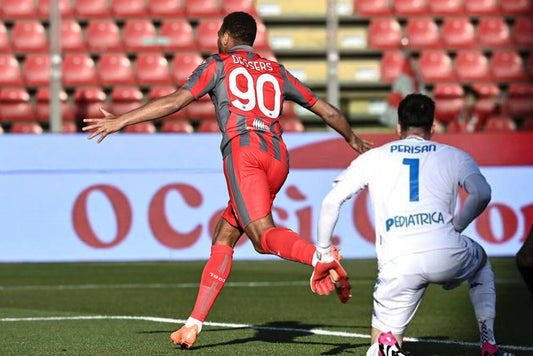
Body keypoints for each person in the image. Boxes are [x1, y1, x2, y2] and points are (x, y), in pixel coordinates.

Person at [83, 11, 371, 349]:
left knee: (262, 238)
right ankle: (192, 325)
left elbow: (177, 100)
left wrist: (122, 121)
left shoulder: (218, 64)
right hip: (278, 157)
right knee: (226, 232)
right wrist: (353, 140)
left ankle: (319, 257)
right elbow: (326, 110)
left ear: (224, 38)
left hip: (244, 153)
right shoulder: (276, 71)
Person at [315, 93, 514, 356]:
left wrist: (324, 253)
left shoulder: (375, 157)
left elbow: (331, 202)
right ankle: (488, 344)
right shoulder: (454, 156)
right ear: (432, 129)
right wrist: (457, 226)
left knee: (381, 343)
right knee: (481, 262)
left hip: (398, 262)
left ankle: (385, 347)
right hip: (447, 252)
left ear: (398, 127)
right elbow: (482, 193)